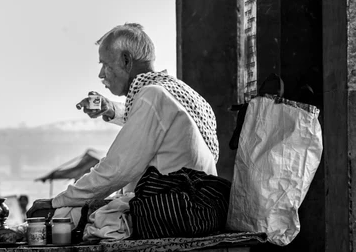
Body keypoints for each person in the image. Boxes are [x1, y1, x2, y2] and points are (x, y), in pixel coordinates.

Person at [27, 22, 218, 219]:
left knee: (64, 216)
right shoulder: (178, 92)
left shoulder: (152, 96)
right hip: (195, 206)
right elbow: (152, 120)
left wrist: (57, 201)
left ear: (126, 60)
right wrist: (111, 109)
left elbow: (116, 169)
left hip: (171, 211)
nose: (101, 74)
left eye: (105, 65)